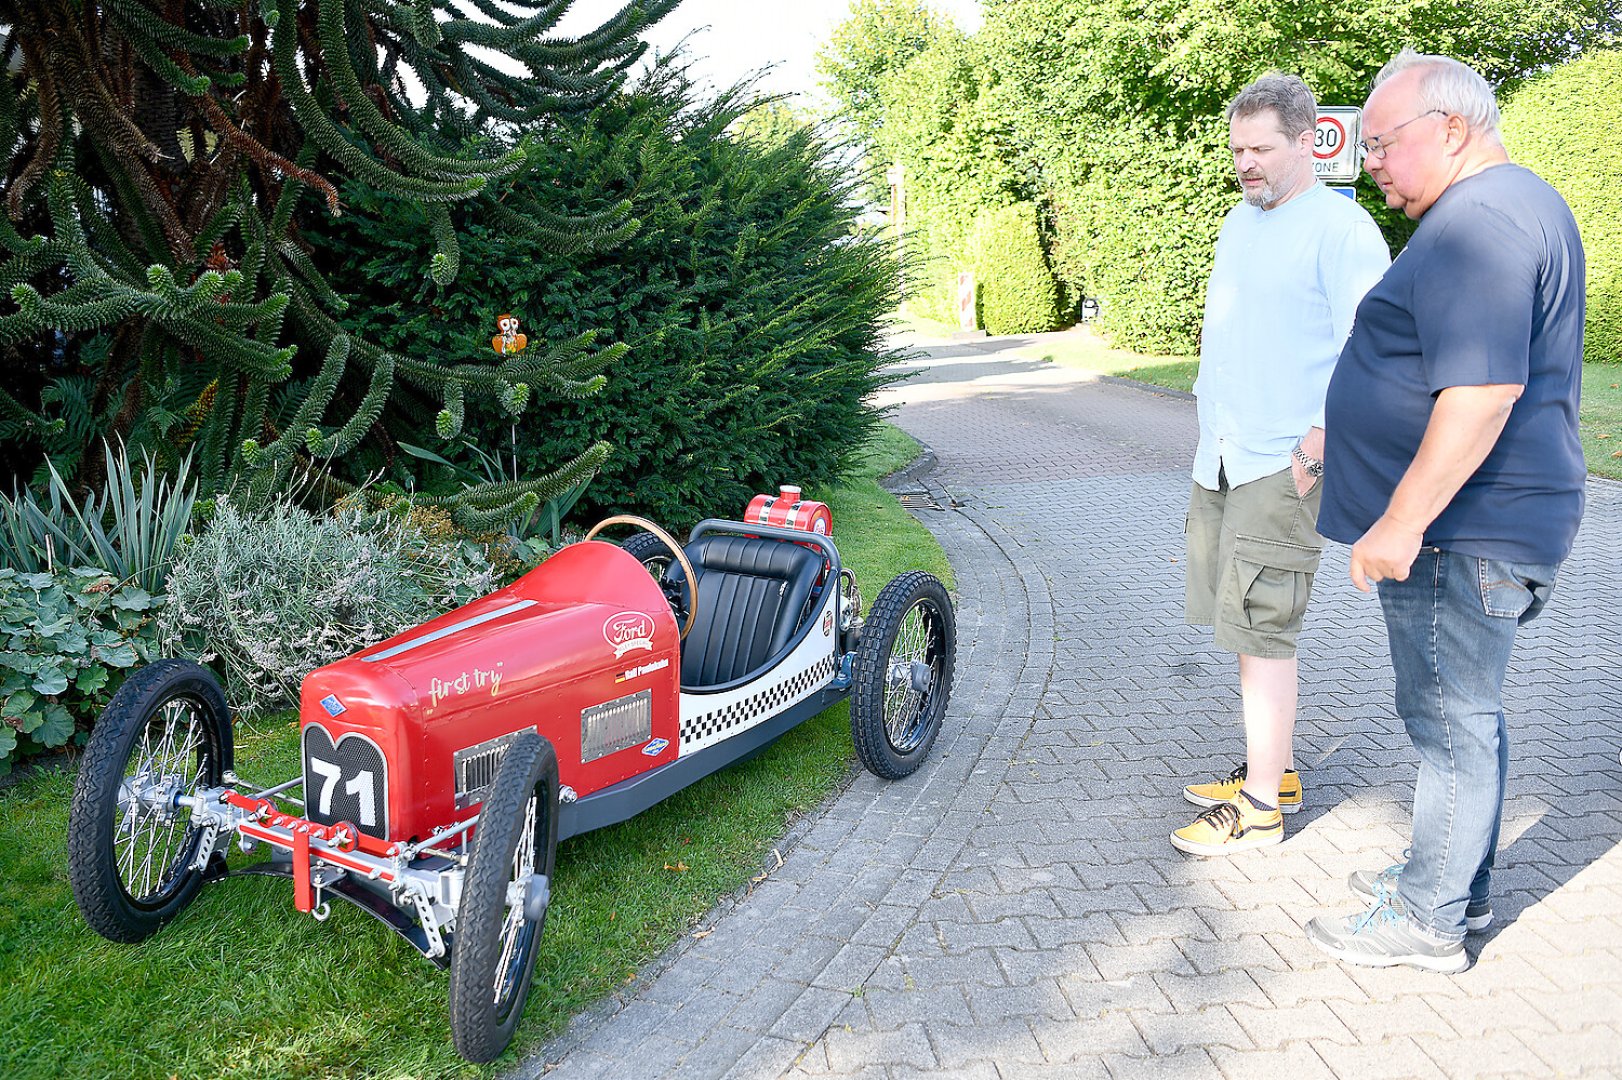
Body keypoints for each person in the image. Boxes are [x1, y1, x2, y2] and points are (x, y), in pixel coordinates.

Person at [1306, 49, 1586, 971]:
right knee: (1465, 716)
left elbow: (1482, 391)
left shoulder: (1483, 221)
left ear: (1452, 129)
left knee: (1448, 722)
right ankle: (1451, 889)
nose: (1371, 159)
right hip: (1480, 525)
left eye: (1383, 141)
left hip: (1464, 529)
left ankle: (1427, 922)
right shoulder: (1502, 209)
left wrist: (1400, 522)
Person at [1171, 74, 1389, 856]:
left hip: (1283, 460)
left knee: (1265, 628)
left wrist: (1314, 448)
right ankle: (1280, 769)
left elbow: (1366, 351)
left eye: (1261, 149)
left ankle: (1261, 807)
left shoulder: (1343, 228)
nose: (1246, 163)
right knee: (1240, 619)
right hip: (1225, 455)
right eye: (1237, 149)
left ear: (1308, 142)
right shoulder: (1239, 221)